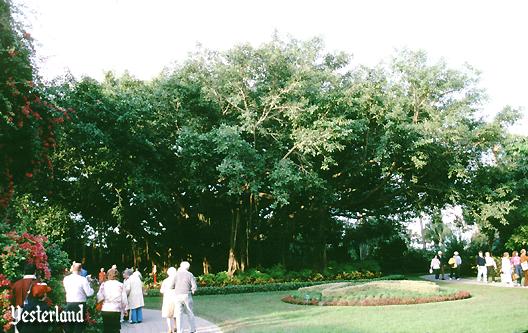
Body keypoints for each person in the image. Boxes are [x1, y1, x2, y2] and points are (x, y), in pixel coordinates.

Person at [63, 262, 94, 333]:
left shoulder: (66, 279)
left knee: (69, 326)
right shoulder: (83, 279)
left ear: (72, 269)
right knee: (79, 326)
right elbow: (89, 293)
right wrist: (90, 285)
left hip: (69, 303)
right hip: (80, 305)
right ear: (81, 270)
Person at [97, 269, 128, 333]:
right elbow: (124, 299)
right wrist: (125, 309)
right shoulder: (121, 285)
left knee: (106, 329)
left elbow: (99, 296)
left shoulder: (104, 284)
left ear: (108, 275)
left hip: (106, 309)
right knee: (115, 329)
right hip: (116, 310)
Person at [174, 261, 198, 333]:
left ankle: (180, 331)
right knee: (190, 312)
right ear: (188, 267)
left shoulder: (176, 274)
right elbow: (194, 286)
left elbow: (171, 285)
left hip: (178, 295)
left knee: (179, 314)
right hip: (187, 295)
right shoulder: (190, 274)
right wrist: (193, 290)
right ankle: (192, 330)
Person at [160, 267, 177, 333]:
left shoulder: (165, 281)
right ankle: (175, 326)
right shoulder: (177, 280)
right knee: (176, 313)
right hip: (175, 298)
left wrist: (165, 291)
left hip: (167, 299)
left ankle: (170, 328)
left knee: (168, 314)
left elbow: (161, 290)